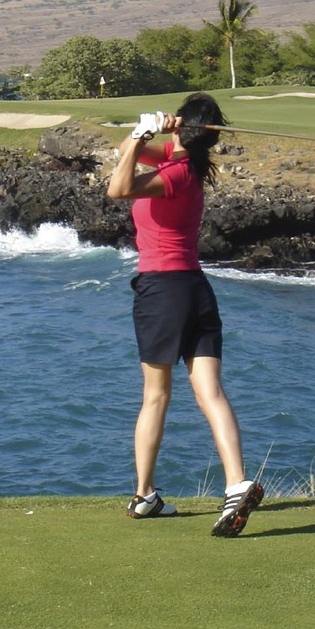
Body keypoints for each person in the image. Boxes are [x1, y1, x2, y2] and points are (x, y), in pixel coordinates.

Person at [106, 92, 264, 537]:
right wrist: (149, 134)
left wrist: (144, 134)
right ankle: (237, 483)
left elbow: (117, 187)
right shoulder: (189, 166)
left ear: (183, 127)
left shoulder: (173, 174)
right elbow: (125, 150)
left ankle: (144, 496)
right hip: (197, 289)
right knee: (210, 393)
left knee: (156, 396)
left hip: (162, 291)